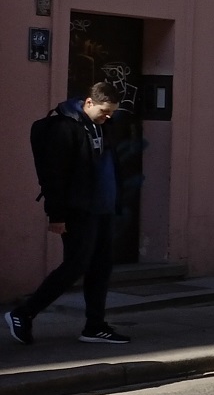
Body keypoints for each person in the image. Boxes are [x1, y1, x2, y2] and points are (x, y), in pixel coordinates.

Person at [5, 83, 129, 346]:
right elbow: (54, 175)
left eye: (112, 113)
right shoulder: (64, 128)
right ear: (89, 103)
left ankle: (95, 326)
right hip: (79, 209)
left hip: (103, 208)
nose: (108, 116)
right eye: (104, 111)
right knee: (76, 265)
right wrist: (56, 215)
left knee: (101, 267)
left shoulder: (102, 125)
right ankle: (24, 313)